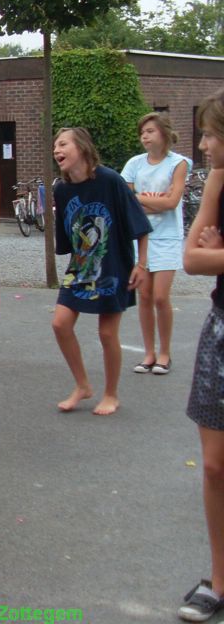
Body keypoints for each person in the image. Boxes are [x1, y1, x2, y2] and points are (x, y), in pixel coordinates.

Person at [51, 127, 151, 416]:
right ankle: (82, 386)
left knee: (107, 334)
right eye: (55, 146)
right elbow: (69, 240)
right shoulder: (62, 189)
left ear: (81, 147)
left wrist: (141, 264)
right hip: (80, 267)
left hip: (115, 266)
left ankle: (111, 394)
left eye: (63, 144)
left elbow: (140, 223)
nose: (57, 150)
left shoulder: (110, 180)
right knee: (60, 324)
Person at [177, 88, 224, 623]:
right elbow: (193, 258)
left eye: (211, 133)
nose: (205, 144)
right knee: (215, 465)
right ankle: (218, 578)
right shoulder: (217, 179)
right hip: (220, 328)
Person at [121, 113, 192, 376]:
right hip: (143, 236)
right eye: (142, 132)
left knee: (161, 297)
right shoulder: (134, 164)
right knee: (145, 296)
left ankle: (165, 353)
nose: (145, 136)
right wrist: (148, 201)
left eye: (150, 131)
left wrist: (141, 202)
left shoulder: (179, 163)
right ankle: (149, 353)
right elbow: (126, 200)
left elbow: (172, 202)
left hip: (168, 237)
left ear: (163, 133)